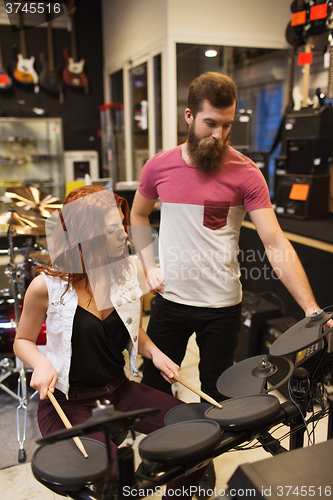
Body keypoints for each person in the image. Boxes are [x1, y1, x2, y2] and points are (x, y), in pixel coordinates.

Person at [130, 71, 332, 402]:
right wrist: (149, 265)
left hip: (222, 306)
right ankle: (167, 454)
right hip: (171, 300)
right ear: (189, 116)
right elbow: (138, 214)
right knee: (155, 387)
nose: (218, 134)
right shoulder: (157, 167)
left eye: (226, 125)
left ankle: (203, 456)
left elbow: (275, 242)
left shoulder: (247, 173)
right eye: (210, 123)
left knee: (219, 395)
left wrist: (311, 309)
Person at [13, 185, 208, 499]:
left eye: (122, 224)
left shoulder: (124, 272)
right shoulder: (46, 286)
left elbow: (131, 329)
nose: (125, 234)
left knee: (199, 435)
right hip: (67, 402)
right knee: (115, 473)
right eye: (113, 228)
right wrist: (40, 362)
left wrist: (155, 354)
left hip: (119, 391)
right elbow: (22, 340)